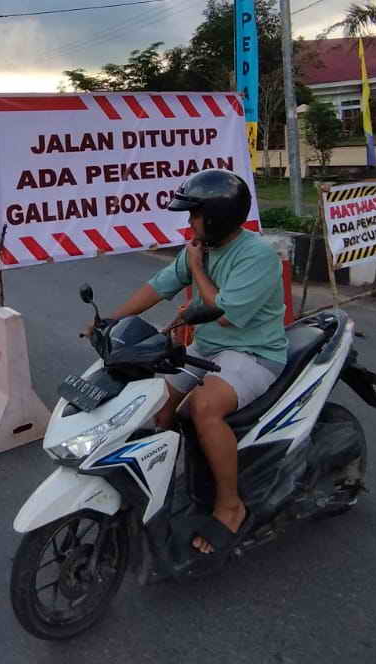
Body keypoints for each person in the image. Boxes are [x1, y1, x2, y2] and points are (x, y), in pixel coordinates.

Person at [100, 169, 287, 558]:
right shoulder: (202, 246)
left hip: (254, 353)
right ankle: (166, 489)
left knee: (203, 408)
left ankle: (230, 505)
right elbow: (159, 286)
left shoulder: (258, 257)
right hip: (208, 349)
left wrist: (198, 268)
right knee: (152, 402)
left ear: (216, 216)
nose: (189, 222)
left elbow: (224, 314)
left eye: (194, 214)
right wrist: (110, 322)